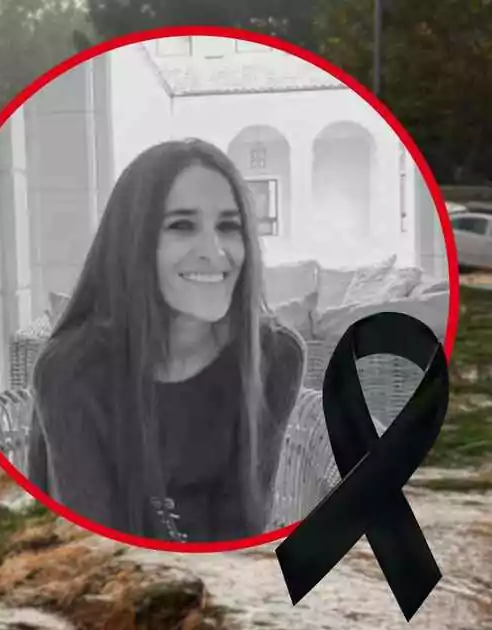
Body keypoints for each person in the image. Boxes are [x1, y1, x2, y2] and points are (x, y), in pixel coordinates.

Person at [26, 138, 305, 544]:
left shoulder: (275, 357)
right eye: (181, 226)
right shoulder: (71, 372)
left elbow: (242, 526)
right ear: (133, 242)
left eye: (229, 226)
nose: (214, 252)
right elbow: (99, 553)